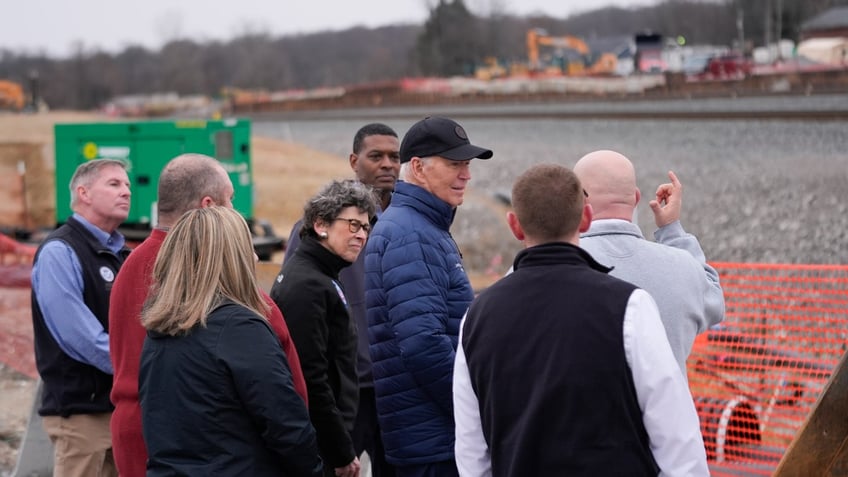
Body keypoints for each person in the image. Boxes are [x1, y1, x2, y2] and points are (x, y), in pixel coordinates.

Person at [453, 163, 709, 477]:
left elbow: (472, 451)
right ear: (585, 218)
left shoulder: (477, 317)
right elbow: (676, 437)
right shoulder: (630, 306)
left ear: (515, 225)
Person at [109, 153, 308, 477]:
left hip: (138, 435)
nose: (235, 210)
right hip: (214, 446)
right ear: (208, 205)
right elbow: (281, 385)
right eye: (230, 200)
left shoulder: (132, 265)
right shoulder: (221, 279)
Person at [139, 206, 322, 476]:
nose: (256, 257)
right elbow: (286, 424)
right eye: (247, 247)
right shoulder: (240, 328)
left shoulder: (161, 328)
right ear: (232, 258)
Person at [365, 116, 493, 477]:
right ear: (418, 168)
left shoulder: (420, 225)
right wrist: (475, 409)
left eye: (467, 165)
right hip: (433, 444)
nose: (466, 174)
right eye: (454, 164)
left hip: (427, 437)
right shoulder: (412, 233)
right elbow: (422, 344)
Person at [284, 123, 399, 477]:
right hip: (347, 390)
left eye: (395, 157)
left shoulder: (404, 224)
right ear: (354, 160)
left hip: (395, 384)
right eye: (375, 156)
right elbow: (297, 302)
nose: (387, 165)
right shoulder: (324, 226)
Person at [573, 149, 724, 375]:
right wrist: (672, 230)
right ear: (635, 198)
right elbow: (714, 302)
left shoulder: (543, 269)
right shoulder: (682, 267)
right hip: (668, 410)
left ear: (575, 200)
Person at [31, 158, 131, 477]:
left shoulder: (119, 253)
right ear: (84, 193)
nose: (126, 192)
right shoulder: (60, 252)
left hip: (118, 406)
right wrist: (137, 369)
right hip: (82, 416)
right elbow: (80, 337)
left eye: (127, 185)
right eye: (114, 184)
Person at [272, 179, 377, 477]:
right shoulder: (308, 284)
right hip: (321, 446)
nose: (361, 236)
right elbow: (311, 379)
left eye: (366, 228)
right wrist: (341, 451)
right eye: (353, 225)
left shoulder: (320, 273)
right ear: (321, 224)